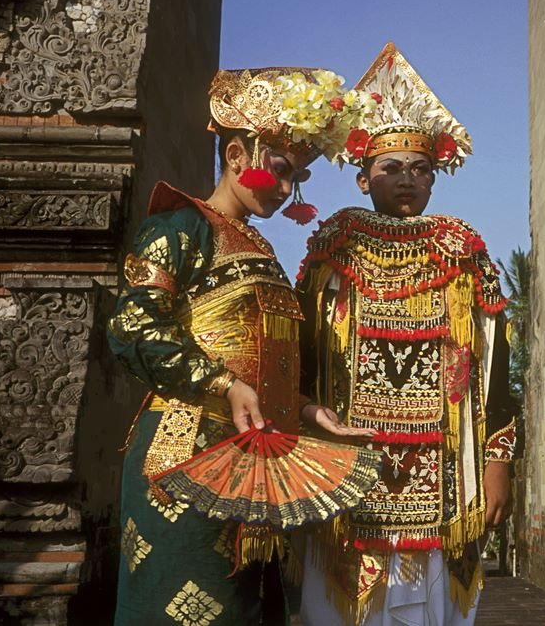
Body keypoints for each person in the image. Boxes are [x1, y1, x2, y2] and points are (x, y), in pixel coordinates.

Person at [107, 67, 379, 625]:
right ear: (236, 155)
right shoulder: (180, 227)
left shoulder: (260, 252)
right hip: (184, 463)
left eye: (296, 178)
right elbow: (132, 329)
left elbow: (264, 356)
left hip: (257, 469)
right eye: (279, 171)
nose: (285, 190)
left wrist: (305, 408)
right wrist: (223, 384)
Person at [296, 43, 519, 626]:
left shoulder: (461, 247)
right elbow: (306, 358)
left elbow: (496, 367)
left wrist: (499, 460)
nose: (407, 180)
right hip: (350, 458)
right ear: (364, 174)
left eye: (421, 169)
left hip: (444, 467)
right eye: (391, 167)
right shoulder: (335, 244)